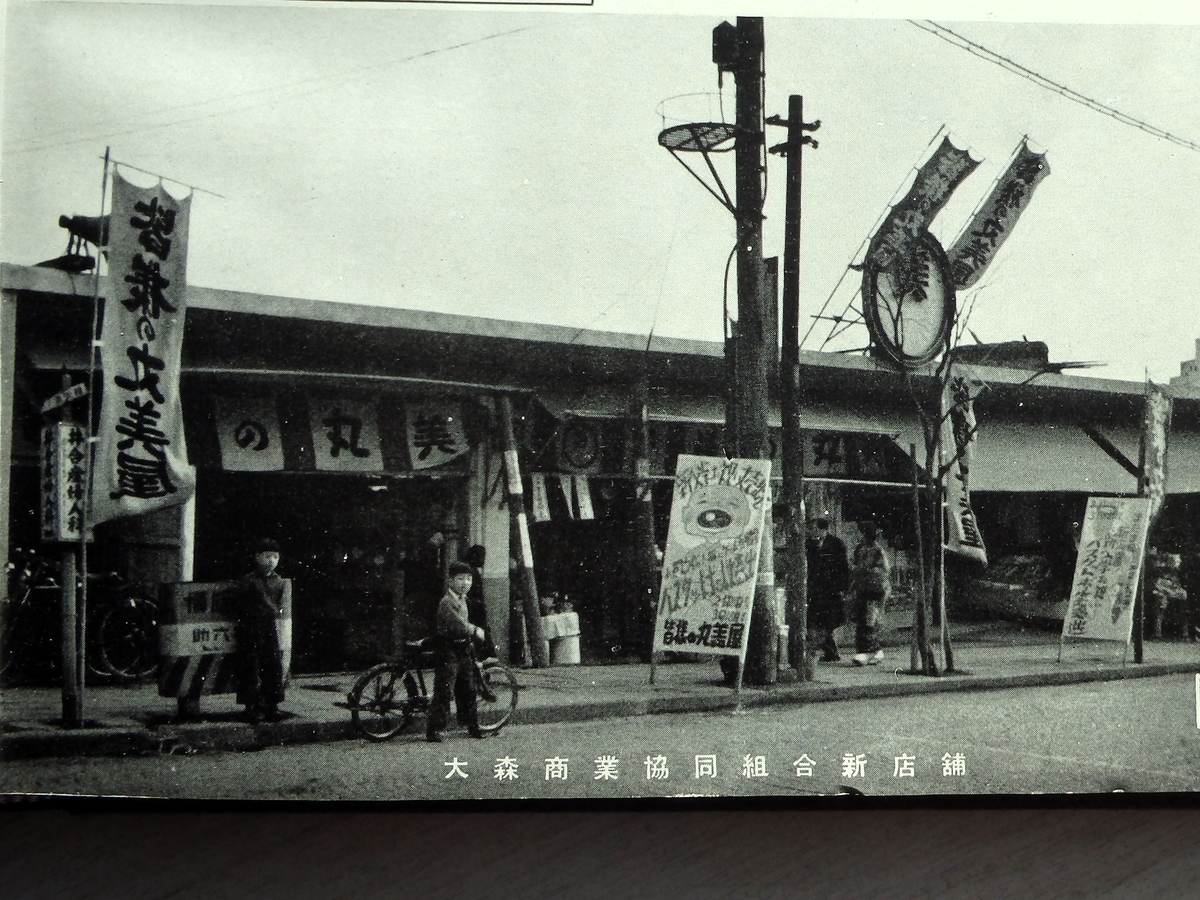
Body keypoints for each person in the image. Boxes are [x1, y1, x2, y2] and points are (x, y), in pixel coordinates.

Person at [427, 561, 490, 743]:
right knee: (445, 689)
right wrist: (475, 630)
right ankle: (433, 729)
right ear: (451, 581)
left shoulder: (462, 599)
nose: (465, 583)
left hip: (462, 648)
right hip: (448, 649)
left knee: (468, 688)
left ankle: (472, 725)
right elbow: (459, 625)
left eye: (469, 579)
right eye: (461, 579)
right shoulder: (447, 602)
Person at [234, 538, 288, 723]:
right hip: (249, 627)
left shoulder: (279, 581)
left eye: (275, 557)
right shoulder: (248, 580)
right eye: (267, 556)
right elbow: (238, 603)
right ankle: (251, 706)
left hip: (269, 626)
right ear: (257, 557)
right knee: (251, 667)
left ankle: (272, 705)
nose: (271, 560)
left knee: (273, 665)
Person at [806, 517, 850, 662]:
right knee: (818, 621)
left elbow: (843, 566)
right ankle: (830, 651)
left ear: (822, 529)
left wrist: (843, 587)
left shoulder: (836, 544)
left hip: (831, 588)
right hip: (816, 589)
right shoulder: (810, 544)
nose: (812, 531)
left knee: (828, 621)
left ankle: (828, 651)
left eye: (814, 528)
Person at [849, 521, 891, 666]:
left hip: (874, 589)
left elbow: (883, 570)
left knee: (868, 621)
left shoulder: (877, 550)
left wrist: (863, 570)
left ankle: (866, 651)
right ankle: (874, 650)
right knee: (862, 620)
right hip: (862, 588)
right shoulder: (859, 549)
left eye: (859, 531)